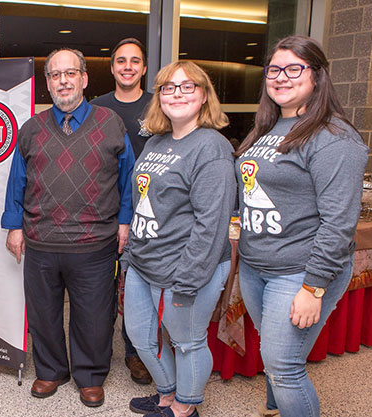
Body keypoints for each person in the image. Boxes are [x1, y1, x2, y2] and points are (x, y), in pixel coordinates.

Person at [234, 35, 367, 417]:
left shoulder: (333, 137)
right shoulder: (268, 127)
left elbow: (339, 223)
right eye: (274, 69)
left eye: (294, 68)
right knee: (273, 355)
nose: (281, 77)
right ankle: (276, 410)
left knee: (285, 367)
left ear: (317, 76)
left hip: (299, 273)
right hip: (258, 267)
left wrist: (313, 286)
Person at [1, 48, 134, 407]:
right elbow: (18, 182)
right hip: (42, 241)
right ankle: (51, 370)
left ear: (84, 79)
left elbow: (129, 180)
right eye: (55, 75)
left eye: (70, 73)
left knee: (93, 315)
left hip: (95, 243)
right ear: (47, 83)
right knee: (43, 312)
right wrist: (14, 226)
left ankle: (90, 375)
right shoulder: (30, 129)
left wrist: (125, 222)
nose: (63, 81)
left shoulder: (110, 124)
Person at [123, 60, 235, 417]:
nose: (177, 93)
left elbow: (211, 224)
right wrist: (129, 258)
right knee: (141, 337)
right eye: (169, 87)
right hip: (143, 263)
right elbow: (144, 201)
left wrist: (188, 279)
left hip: (185, 268)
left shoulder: (211, 148)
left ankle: (185, 407)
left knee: (187, 343)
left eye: (188, 87)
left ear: (204, 96)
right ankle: (167, 394)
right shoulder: (156, 142)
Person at [91, 37, 153, 385]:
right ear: (112, 67)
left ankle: (136, 352)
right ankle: (100, 350)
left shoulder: (159, 105)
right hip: (105, 210)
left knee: (137, 287)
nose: (127, 67)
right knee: (103, 287)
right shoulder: (98, 108)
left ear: (143, 68)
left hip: (151, 212)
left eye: (134, 61)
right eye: (120, 61)